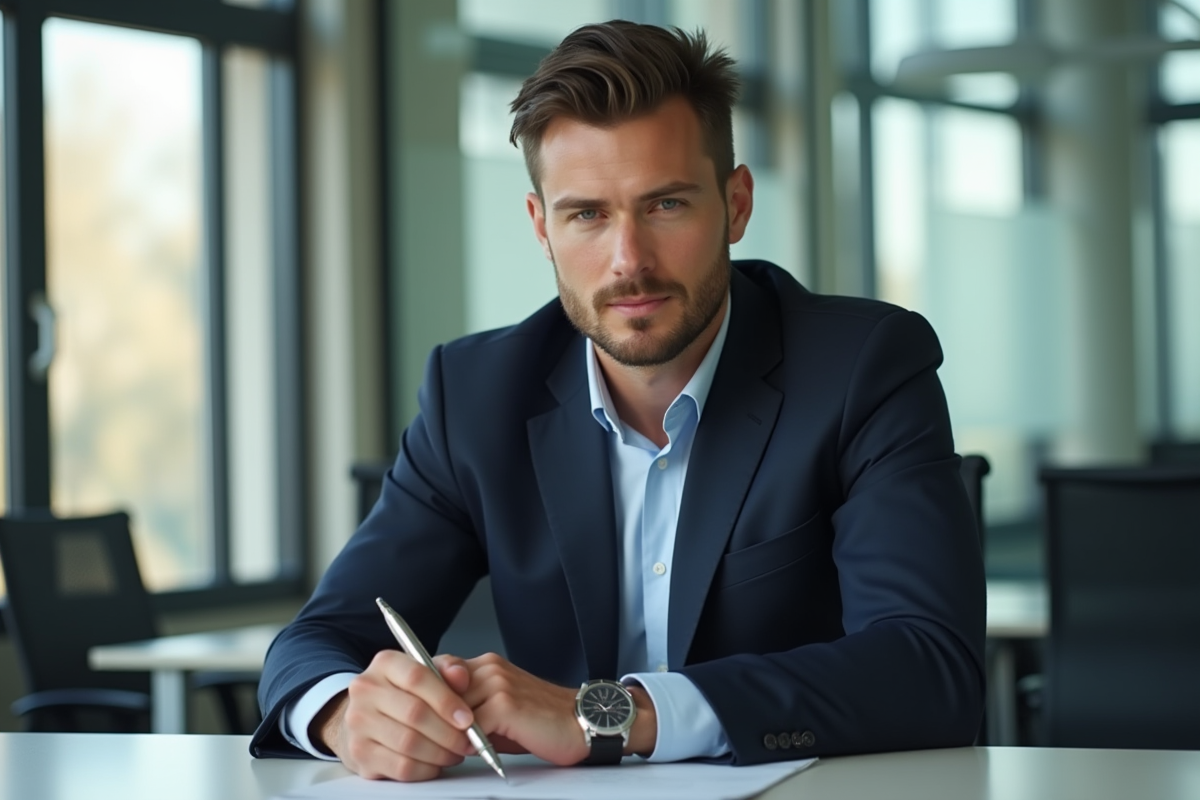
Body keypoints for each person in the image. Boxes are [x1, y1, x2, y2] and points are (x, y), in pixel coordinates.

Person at [250, 20, 985, 781]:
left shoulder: (863, 368)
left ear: (736, 204)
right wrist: (346, 714)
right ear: (542, 227)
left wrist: (610, 715)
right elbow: (316, 642)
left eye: (665, 205)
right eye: (587, 214)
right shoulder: (473, 395)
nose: (628, 260)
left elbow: (931, 667)